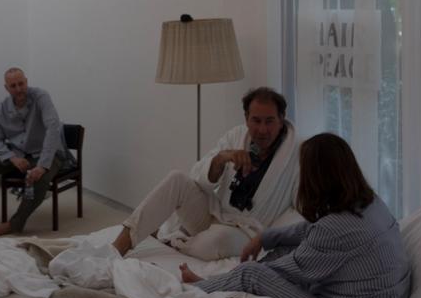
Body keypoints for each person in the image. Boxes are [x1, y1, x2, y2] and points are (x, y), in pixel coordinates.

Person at [179, 132, 411, 298]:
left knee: (251, 273)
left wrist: (247, 273)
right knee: (284, 249)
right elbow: (313, 230)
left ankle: (192, 292)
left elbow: (284, 269)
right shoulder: (370, 203)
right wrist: (266, 237)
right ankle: (220, 283)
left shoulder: (335, 228)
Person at [112, 87, 300, 261]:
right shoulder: (236, 135)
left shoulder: (297, 153)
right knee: (176, 179)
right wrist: (221, 158)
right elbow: (198, 178)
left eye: (269, 121)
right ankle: (119, 246)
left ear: (281, 118)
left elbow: (300, 208)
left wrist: (271, 238)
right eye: (256, 121)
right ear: (246, 118)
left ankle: (175, 241)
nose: (262, 130)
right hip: (216, 213)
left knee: (216, 240)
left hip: (247, 232)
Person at [0, 67, 71, 237]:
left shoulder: (41, 97)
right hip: (18, 154)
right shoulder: (1, 107)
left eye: (21, 83)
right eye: (13, 86)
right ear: (6, 88)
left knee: (39, 177)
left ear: (26, 81)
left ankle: (15, 224)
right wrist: (12, 158)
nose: (18, 89)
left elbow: (53, 129)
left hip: (47, 153)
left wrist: (42, 166)